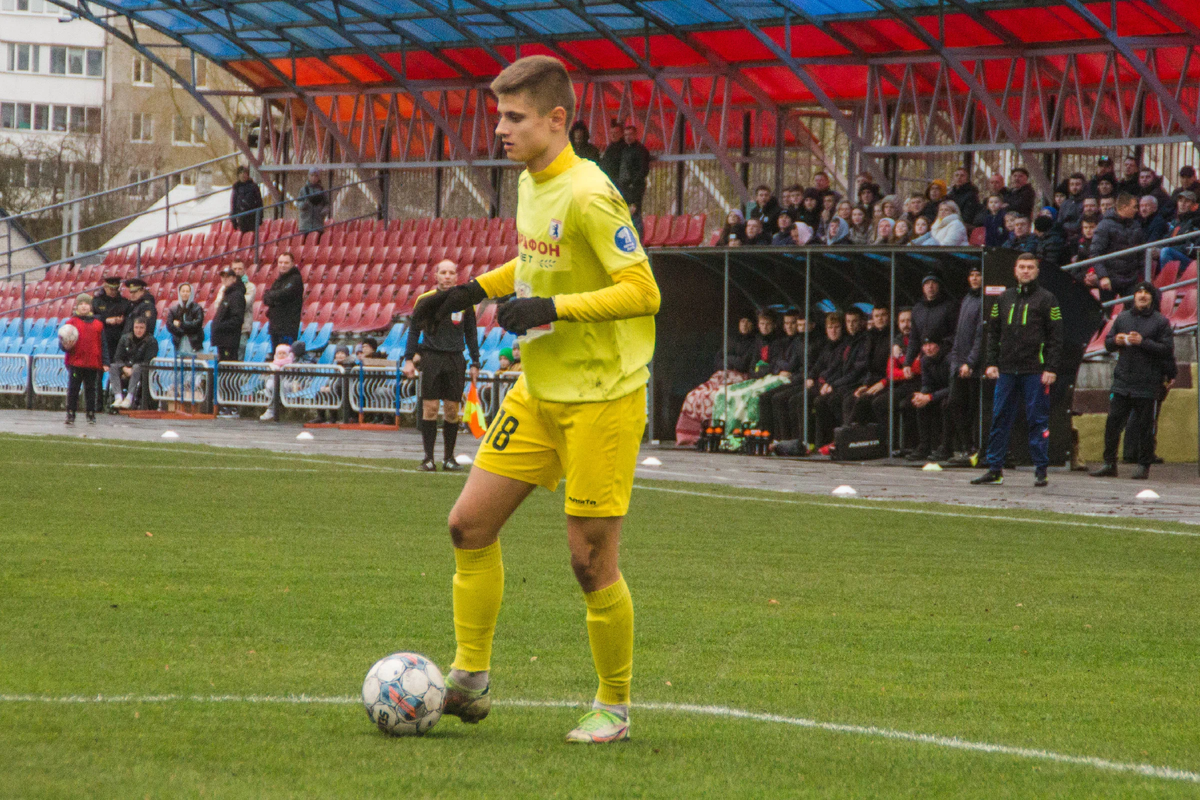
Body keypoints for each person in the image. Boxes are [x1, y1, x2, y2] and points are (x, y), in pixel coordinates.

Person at [408, 55, 660, 745]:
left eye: (514, 117)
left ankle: (614, 707)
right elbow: (536, 260)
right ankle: (470, 677)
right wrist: (470, 291)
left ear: (556, 120)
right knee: (468, 526)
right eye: (499, 116)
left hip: (602, 398)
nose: (501, 129)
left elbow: (644, 291)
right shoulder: (531, 181)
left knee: (590, 561)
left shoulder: (591, 192)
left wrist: (553, 307)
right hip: (540, 389)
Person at [971, 253, 1062, 487]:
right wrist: (991, 362)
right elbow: (992, 333)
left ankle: (1041, 470)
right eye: (1022, 267)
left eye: (1030, 267)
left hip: (1035, 370)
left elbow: (1056, 336)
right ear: (1015, 270)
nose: (1026, 271)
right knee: (1000, 417)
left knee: (1037, 419)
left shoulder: (1048, 299)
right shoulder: (1004, 298)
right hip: (1007, 370)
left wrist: (1051, 367)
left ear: (1037, 271)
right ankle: (994, 469)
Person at [1090, 281, 1175, 480]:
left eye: (1146, 293)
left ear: (1152, 297)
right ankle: (1109, 463)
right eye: (1139, 292)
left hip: (1147, 382)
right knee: (1113, 423)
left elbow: (1166, 349)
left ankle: (1143, 465)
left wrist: (1142, 342)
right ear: (1134, 296)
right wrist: (1116, 341)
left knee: (1145, 427)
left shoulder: (1160, 321)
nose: (1142, 296)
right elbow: (1108, 343)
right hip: (1123, 381)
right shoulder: (1122, 317)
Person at [404, 259, 482, 471]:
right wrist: (409, 359)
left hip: (455, 359)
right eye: (443, 272)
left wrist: (475, 361)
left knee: (452, 410)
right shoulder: (425, 300)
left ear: (457, 276)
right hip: (431, 358)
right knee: (429, 408)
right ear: (436, 275)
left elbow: (471, 333)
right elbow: (414, 330)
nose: (447, 276)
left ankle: (449, 458)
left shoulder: (464, 301)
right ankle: (428, 458)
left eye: (451, 273)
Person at [813, 307, 870, 448]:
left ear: (861, 322)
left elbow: (857, 371)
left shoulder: (864, 340)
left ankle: (842, 441)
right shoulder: (848, 342)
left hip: (858, 382)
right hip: (844, 381)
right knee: (821, 401)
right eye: (848, 321)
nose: (851, 325)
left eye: (854, 321)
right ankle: (823, 442)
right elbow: (837, 368)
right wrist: (828, 383)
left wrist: (833, 384)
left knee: (837, 400)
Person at [1090, 193, 1146, 299]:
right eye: (1134, 207)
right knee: (1106, 308)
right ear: (1124, 207)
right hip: (1110, 278)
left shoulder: (1136, 225)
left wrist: (1145, 276)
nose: (1136, 210)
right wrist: (1103, 276)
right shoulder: (1104, 225)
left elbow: (1141, 253)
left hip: (1131, 279)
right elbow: (1095, 252)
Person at [62, 293, 106, 425]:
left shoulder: (98, 324)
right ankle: (71, 413)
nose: (84, 306)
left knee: (91, 390)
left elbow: (103, 344)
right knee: (73, 389)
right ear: (77, 306)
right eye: (81, 304)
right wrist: (65, 346)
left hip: (92, 363)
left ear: (90, 306)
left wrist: (105, 361)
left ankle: (91, 413)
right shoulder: (71, 323)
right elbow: (63, 342)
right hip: (76, 362)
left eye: (86, 304)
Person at [906, 338, 951, 461]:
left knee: (946, 404)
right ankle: (924, 445)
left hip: (951, 393)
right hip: (936, 392)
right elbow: (927, 383)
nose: (928, 348)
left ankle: (946, 446)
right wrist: (922, 395)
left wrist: (930, 397)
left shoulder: (949, 359)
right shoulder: (925, 360)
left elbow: (953, 387)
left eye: (931, 344)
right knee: (918, 402)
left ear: (938, 345)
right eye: (925, 345)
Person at [212, 268, 246, 417]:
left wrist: (220, 326)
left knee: (230, 372)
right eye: (223, 277)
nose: (224, 279)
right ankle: (226, 403)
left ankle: (232, 405)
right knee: (225, 372)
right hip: (223, 340)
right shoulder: (228, 294)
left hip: (229, 340)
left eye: (227, 276)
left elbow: (237, 319)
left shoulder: (236, 295)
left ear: (234, 278)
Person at [109, 316, 158, 410]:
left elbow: (148, 361)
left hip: (141, 370)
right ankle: (118, 397)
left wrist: (132, 370)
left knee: (137, 367)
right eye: (136, 327)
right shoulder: (125, 339)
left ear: (146, 328)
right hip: (126, 367)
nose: (138, 330)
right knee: (113, 367)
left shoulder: (151, 341)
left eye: (141, 328)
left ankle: (129, 397)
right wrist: (124, 368)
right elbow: (117, 357)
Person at [263, 252, 304, 350]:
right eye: (280, 262)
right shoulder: (278, 281)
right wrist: (274, 297)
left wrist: (272, 296)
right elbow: (266, 298)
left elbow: (284, 294)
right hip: (275, 327)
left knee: (286, 354)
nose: (283, 265)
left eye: (286, 263)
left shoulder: (295, 279)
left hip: (288, 328)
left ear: (292, 264)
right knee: (276, 355)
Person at [91, 276, 130, 362]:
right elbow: (91, 317)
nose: (113, 292)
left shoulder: (124, 302)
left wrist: (122, 320)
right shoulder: (97, 301)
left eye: (115, 289)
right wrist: (105, 320)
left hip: (118, 339)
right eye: (111, 289)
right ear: (105, 287)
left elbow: (129, 319)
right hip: (102, 338)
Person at [616, 123, 650, 215]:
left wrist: (633, 183)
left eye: (630, 134)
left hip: (635, 188)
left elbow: (643, 169)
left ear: (635, 135)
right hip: (624, 187)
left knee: (634, 213)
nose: (628, 137)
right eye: (626, 135)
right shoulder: (624, 149)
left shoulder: (641, 150)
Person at [1160, 190, 1200, 267]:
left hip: (1191, 262)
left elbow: (1190, 248)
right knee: (1150, 252)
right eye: (1180, 201)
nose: (1183, 204)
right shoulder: (1177, 222)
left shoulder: (1196, 222)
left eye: (1187, 201)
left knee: (1165, 252)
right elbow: (1165, 240)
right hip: (1175, 255)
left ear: (1194, 205)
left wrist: (1166, 249)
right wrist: (1157, 249)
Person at [258, 342, 295, 422]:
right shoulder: (273, 364)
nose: (281, 355)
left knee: (276, 386)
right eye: (279, 353)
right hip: (273, 384)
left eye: (284, 353)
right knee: (270, 385)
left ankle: (271, 409)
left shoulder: (291, 364)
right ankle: (271, 408)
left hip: (287, 384)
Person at [166, 283, 204, 355]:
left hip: (195, 344)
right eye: (183, 291)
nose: (185, 293)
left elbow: (197, 324)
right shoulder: (173, 310)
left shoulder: (197, 308)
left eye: (187, 291)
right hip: (179, 344)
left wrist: (180, 324)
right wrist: (182, 331)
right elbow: (169, 325)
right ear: (179, 293)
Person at [296, 168, 329, 237]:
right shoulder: (303, 190)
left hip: (318, 225)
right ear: (308, 176)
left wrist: (324, 211)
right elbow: (298, 203)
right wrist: (303, 205)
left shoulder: (322, 191)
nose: (314, 178)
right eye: (312, 175)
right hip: (305, 226)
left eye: (316, 176)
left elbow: (327, 204)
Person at [230, 166, 263, 234]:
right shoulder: (236, 187)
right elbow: (233, 204)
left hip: (252, 216)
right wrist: (233, 219)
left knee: (252, 235)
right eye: (241, 173)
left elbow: (259, 202)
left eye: (245, 173)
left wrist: (260, 217)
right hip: (242, 217)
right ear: (238, 175)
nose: (243, 175)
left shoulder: (253, 186)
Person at [598, 118, 626, 185]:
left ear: (621, 134)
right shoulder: (609, 147)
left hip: (618, 182)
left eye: (616, 133)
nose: (613, 135)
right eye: (611, 133)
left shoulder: (625, 148)